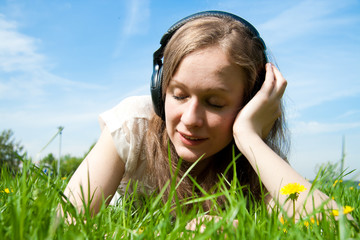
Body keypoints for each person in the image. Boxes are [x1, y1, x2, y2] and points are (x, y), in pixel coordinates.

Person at [64, 11, 333, 222]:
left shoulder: (256, 158)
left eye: (215, 103)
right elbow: (65, 223)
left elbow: (332, 227)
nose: (190, 119)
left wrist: (248, 137)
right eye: (179, 95)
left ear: (249, 105)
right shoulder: (133, 126)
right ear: (160, 91)